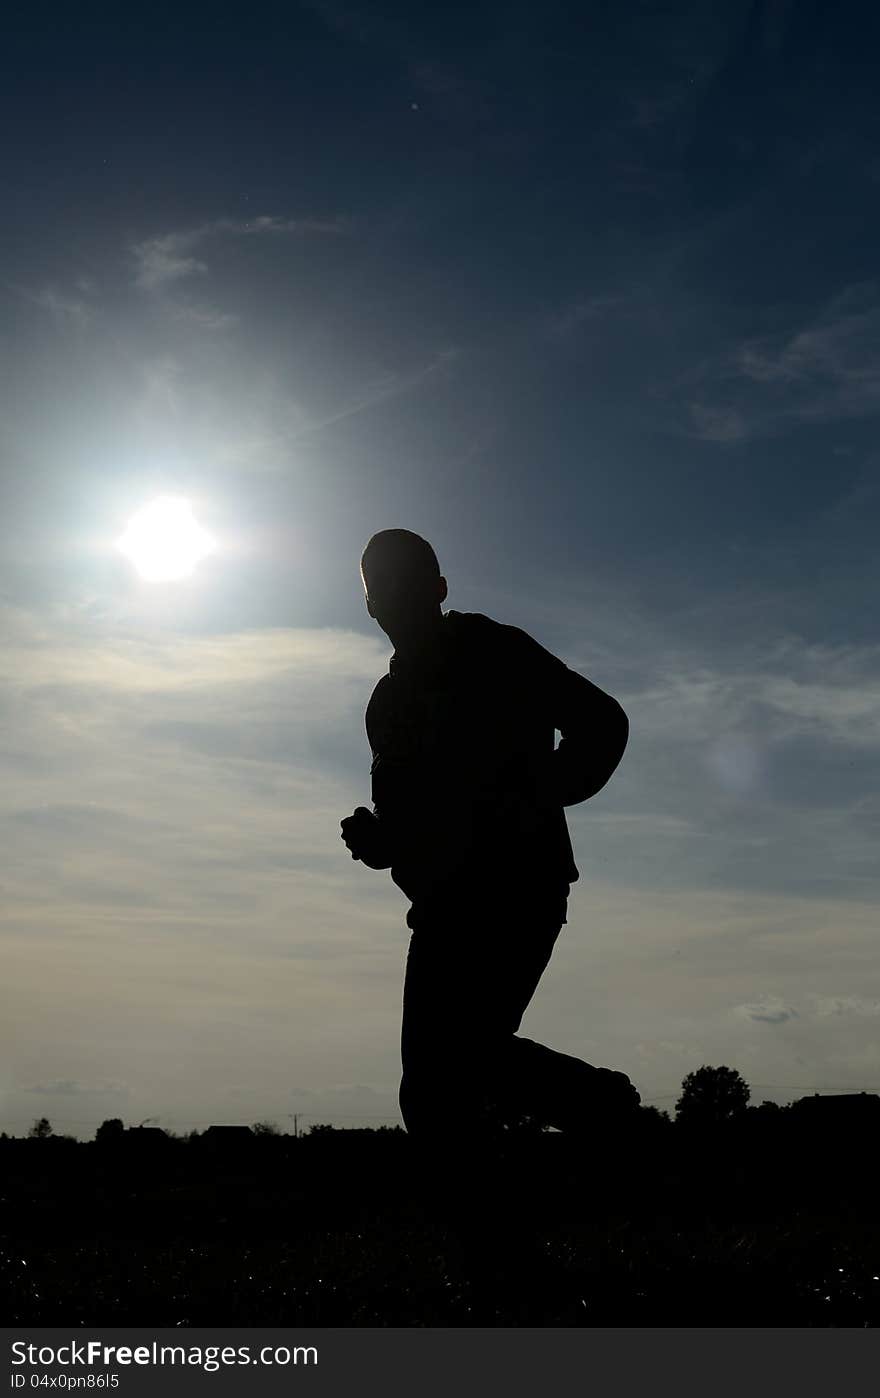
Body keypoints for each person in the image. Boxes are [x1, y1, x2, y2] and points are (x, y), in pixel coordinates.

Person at [340, 528, 639, 1269]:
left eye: (406, 583)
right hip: (441, 907)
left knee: (452, 1073)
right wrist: (385, 845)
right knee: (434, 1095)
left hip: (518, 887)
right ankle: (508, 1255)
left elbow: (602, 724)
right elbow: (421, 821)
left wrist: (541, 798)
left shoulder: (495, 650)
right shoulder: (385, 704)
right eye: (379, 588)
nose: (391, 600)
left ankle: (517, 1244)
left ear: (439, 589)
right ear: (369, 604)